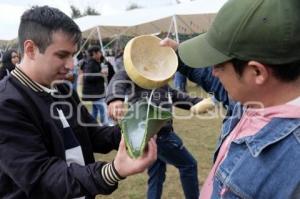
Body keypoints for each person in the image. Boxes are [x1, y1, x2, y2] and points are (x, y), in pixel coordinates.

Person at [0, 6, 157, 199]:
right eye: (62, 55)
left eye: (73, 55)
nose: (71, 65)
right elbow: (42, 177)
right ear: (30, 49)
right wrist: (112, 171)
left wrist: (135, 129)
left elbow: (91, 134)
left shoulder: (62, 89)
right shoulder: (7, 103)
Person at [161, 0, 300, 198]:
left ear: (257, 72)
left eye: (219, 65)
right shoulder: (252, 99)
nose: (214, 72)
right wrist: (177, 55)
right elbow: (210, 78)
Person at [106, 70, 201, 199]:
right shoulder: (139, 75)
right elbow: (121, 76)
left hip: (152, 138)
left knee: (156, 176)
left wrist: (201, 102)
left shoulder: (161, 82)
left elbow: (177, 96)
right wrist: (115, 98)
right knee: (189, 165)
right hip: (159, 135)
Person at [82, 46, 115, 125]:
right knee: (102, 108)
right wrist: (100, 74)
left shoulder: (97, 62)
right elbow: (87, 77)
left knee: (95, 110)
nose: (101, 53)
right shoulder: (90, 63)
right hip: (95, 93)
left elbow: (110, 71)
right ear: (94, 54)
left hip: (96, 92)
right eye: (99, 52)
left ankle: (92, 125)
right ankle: (105, 125)